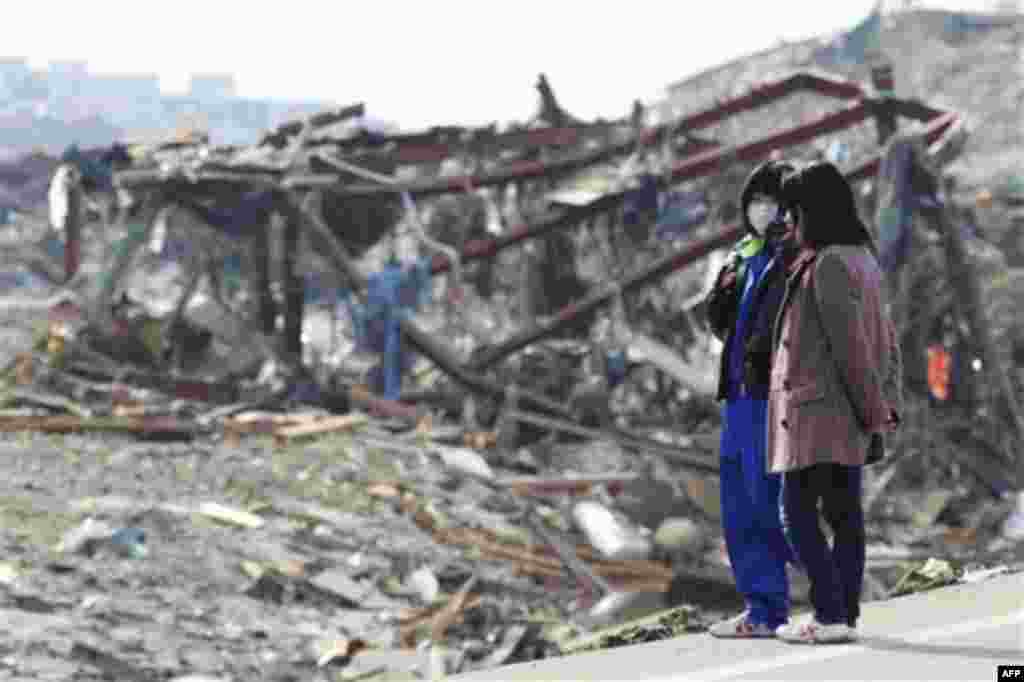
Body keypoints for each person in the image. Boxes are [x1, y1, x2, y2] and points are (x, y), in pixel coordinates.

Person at [768, 161, 902, 644]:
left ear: (811, 211)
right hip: (846, 411)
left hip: (820, 413)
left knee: (796, 514)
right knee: (845, 514)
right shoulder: (862, 258)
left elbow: (851, 348)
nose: (789, 221)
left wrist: (873, 411)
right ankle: (843, 614)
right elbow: (887, 339)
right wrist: (883, 404)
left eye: (794, 212)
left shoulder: (826, 264)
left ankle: (829, 613)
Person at [704, 159, 799, 638]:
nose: (761, 210)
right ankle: (761, 608)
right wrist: (721, 292)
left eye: (770, 201)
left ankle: (819, 585)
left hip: (773, 396)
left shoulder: (797, 257)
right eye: (754, 201)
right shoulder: (743, 257)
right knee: (739, 505)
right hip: (739, 396)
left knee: (768, 503)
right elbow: (721, 325)